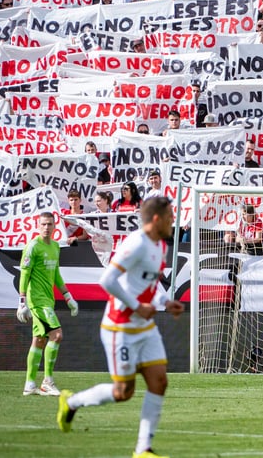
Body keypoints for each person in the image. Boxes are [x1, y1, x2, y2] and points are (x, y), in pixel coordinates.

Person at [57, 196, 183, 458]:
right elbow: (108, 280)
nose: (175, 220)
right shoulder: (135, 243)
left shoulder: (160, 244)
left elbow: (149, 283)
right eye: (171, 216)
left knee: (159, 382)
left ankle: (143, 450)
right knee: (123, 392)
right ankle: (71, 403)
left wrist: (165, 301)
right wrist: (136, 306)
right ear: (157, 219)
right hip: (120, 327)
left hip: (145, 327)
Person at [18, 212, 79, 397]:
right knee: (57, 335)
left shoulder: (55, 247)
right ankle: (47, 381)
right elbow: (24, 274)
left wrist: (68, 296)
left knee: (39, 340)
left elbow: (56, 274)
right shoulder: (32, 246)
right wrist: (22, 302)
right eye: (43, 224)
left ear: (54, 226)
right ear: (38, 225)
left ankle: (30, 384)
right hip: (37, 301)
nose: (46, 227)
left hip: (48, 300)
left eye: (49, 224)